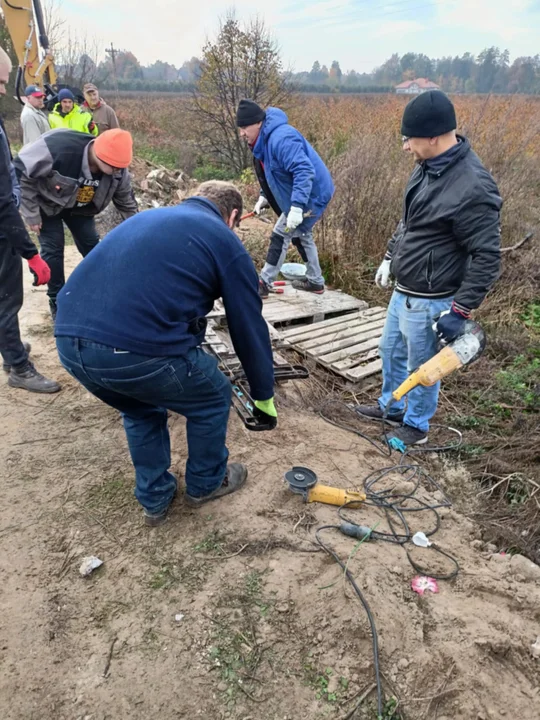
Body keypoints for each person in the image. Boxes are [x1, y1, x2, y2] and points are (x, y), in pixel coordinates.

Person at [55, 181, 276, 527]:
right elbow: (247, 324)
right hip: (130, 349)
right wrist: (263, 394)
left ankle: (155, 499)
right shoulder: (223, 238)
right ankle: (206, 483)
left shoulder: (150, 219)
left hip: (69, 341)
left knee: (140, 407)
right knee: (214, 395)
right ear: (232, 216)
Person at [356, 91, 502, 447]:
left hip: (433, 299)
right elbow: (409, 222)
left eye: (410, 139)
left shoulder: (473, 186)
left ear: (434, 136)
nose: (406, 146)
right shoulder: (425, 169)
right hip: (404, 289)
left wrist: (460, 310)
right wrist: (390, 257)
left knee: (422, 368)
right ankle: (391, 405)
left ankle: (416, 425)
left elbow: (487, 257)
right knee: (389, 351)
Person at [14, 128, 138, 319]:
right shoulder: (58, 149)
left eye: (120, 167)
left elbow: (127, 203)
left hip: (81, 208)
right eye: (114, 166)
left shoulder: (118, 171)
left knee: (91, 245)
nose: (117, 171)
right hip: (47, 205)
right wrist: (31, 214)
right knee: (53, 249)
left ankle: (101, 291)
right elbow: (23, 174)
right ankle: (57, 300)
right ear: (99, 153)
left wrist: (139, 229)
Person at [0, 47, 60, 393]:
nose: (5, 91)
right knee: (7, 297)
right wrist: (31, 253)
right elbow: (0, 202)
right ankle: (18, 367)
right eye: (1, 82)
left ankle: (10, 349)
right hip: (0, 231)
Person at [236, 99, 334, 298]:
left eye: (244, 127)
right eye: (240, 128)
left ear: (258, 123)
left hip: (311, 194)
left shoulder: (282, 138)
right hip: (300, 193)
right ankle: (316, 282)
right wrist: (264, 197)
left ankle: (264, 282)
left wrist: (297, 207)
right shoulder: (263, 142)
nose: (242, 133)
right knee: (301, 235)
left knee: (281, 234)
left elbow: (304, 171)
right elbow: (275, 174)